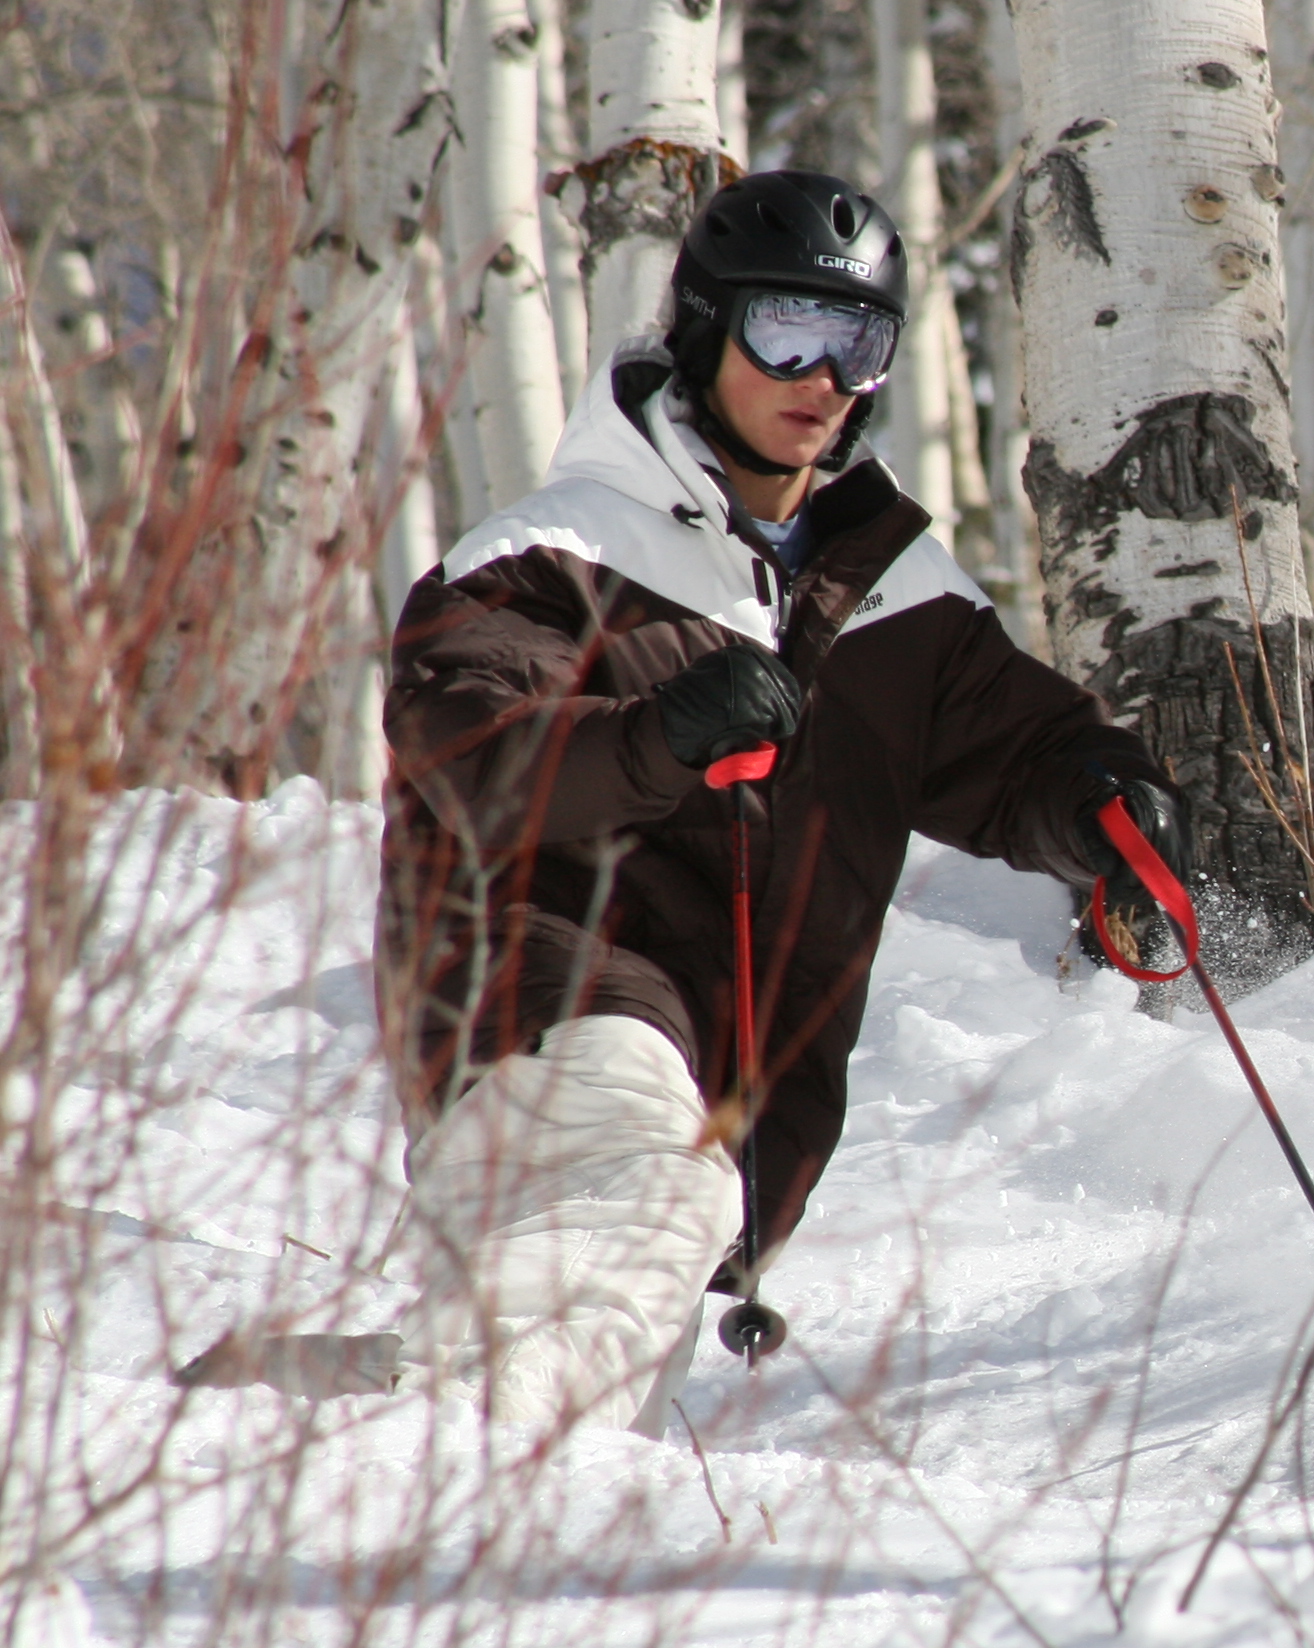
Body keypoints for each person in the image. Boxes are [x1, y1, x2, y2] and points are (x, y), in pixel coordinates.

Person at [190, 172, 1190, 1436]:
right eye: (787, 331)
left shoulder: (898, 596)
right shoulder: (551, 555)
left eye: (858, 343)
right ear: (709, 329)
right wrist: (659, 736)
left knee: (597, 1375)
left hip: (735, 1093)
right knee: (643, 1226)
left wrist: (1105, 806)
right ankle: (428, 1445)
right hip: (542, 999)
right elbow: (470, 761)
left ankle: (267, 1416)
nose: (821, 378)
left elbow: (1017, 754)